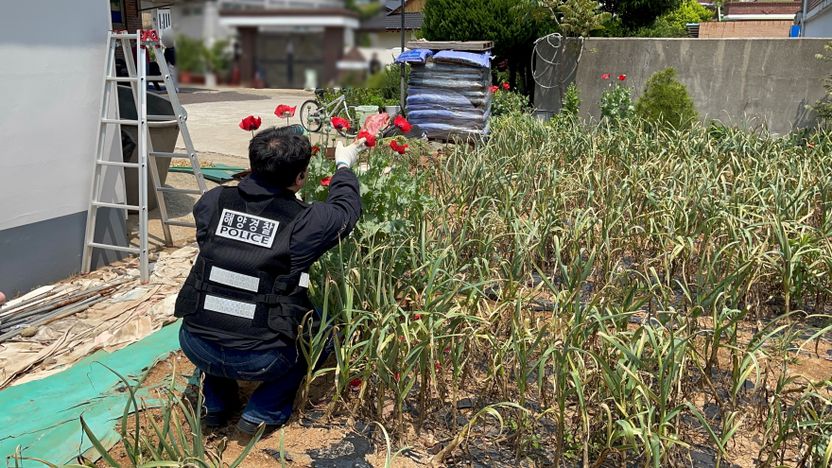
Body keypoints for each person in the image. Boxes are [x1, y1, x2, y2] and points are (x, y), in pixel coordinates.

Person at [174, 126, 367, 435]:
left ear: (253, 163)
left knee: (220, 314)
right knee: (320, 332)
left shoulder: (212, 202)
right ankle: (264, 409)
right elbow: (347, 209)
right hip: (262, 359)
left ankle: (215, 403)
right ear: (301, 177)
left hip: (195, 343)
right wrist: (344, 164)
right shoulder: (306, 221)